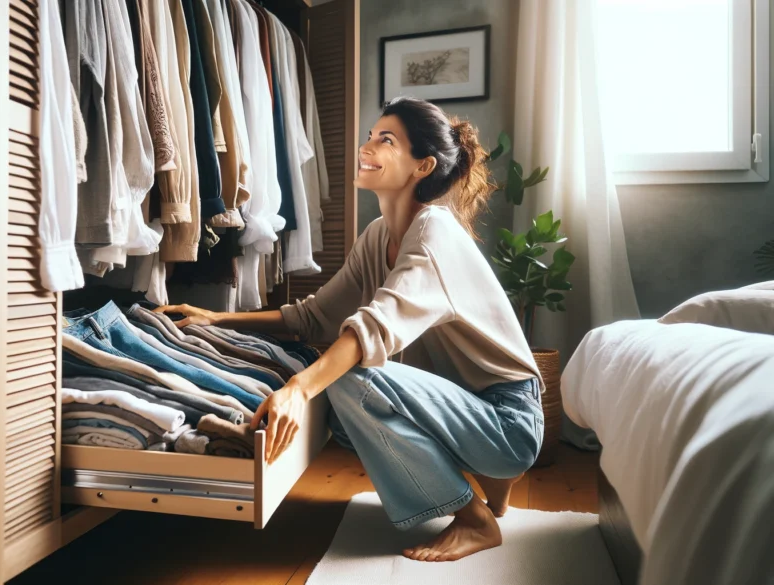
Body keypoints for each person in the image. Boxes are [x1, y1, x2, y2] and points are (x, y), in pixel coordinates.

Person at [155, 96, 544, 562]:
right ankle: (495, 480)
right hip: (462, 406)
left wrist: (299, 389)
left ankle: (473, 518)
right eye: (370, 135)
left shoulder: (435, 232)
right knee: (341, 413)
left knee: (348, 380)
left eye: (386, 140)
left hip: (507, 418)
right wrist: (216, 318)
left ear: (423, 166)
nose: (367, 146)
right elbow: (314, 316)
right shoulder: (379, 234)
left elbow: (372, 328)